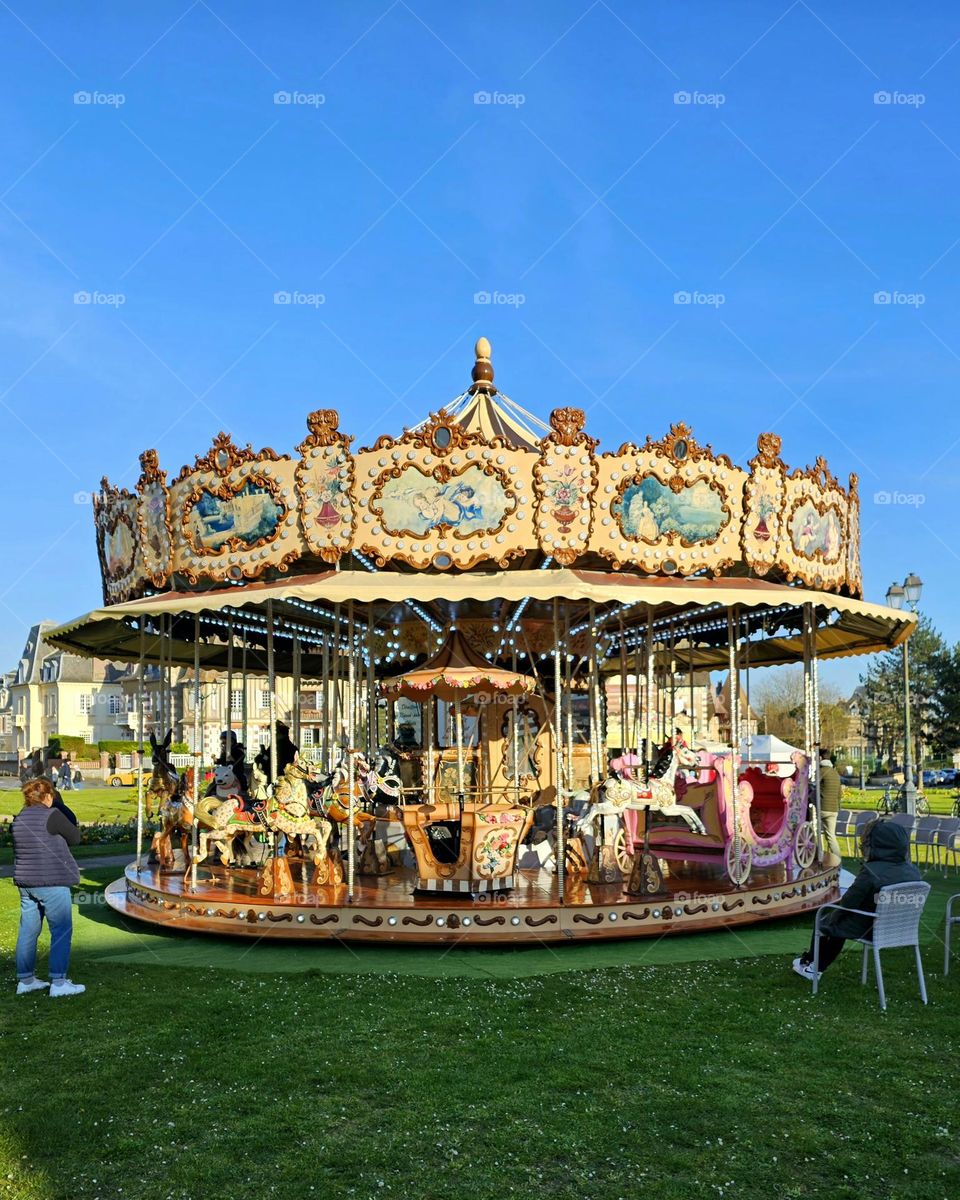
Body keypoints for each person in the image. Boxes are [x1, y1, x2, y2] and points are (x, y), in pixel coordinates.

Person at [792, 818, 921, 982]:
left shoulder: (871, 871)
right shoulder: (913, 871)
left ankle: (814, 966)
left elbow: (849, 902)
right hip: (901, 928)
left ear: (875, 844)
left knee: (830, 921)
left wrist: (834, 917)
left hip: (872, 927)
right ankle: (811, 964)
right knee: (837, 920)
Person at [12, 777, 85, 998]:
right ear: (47, 796)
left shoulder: (19, 818)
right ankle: (59, 983)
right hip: (52, 881)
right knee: (61, 930)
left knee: (28, 930)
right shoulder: (52, 815)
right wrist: (59, 805)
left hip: (26, 883)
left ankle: (26, 980)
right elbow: (75, 837)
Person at [818, 751, 843, 859]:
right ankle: (838, 859)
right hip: (833, 809)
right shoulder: (835, 773)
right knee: (831, 836)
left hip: (822, 807)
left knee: (811, 829)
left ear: (820, 758)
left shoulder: (821, 771)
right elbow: (839, 793)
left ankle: (815, 854)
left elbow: (813, 785)